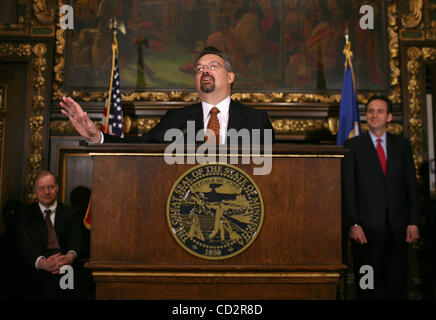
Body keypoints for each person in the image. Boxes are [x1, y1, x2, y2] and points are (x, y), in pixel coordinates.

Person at [60, 46, 275, 145]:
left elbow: (276, 166)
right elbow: (141, 148)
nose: (204, 71)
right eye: (199, 69)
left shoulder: (256, 120)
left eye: (212, 66)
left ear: (230, 77)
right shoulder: (176, 119)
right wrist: (96, 136)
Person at [342, 95, 421, 300]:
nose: (374, 115)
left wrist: (413, 222)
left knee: (395, 290)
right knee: (366, 289)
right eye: (370, 111)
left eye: (379, 111)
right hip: (366, 235)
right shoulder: (352, 146)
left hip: (398, 232)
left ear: (389, 117)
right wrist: (354, 224)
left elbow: (411, 186)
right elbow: (348, 188)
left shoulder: (402, 146)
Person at [16, 171, 85, 299]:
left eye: (50, 187)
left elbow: (77, 240)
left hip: (66, 266)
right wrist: (43, 263)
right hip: (38, 269)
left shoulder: (72, 213)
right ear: (35, 191)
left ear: (57, 188)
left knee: (69, 286)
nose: (46, 192)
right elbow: (25, 245)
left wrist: (69, 257)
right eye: (41, 188)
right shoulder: (25, 215)